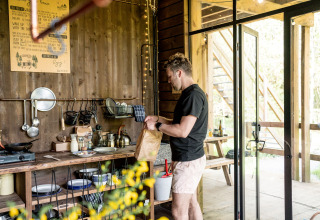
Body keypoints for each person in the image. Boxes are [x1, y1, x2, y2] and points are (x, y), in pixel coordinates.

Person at [144, 53, 208, 220]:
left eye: (170, 76)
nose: (169, 81)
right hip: (189, 158)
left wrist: (158, 126)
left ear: (179, 73)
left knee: (178, 212)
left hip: (188, 160)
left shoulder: (193, 95)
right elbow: (178, 123)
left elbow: (182, 131)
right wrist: (157, 119)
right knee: (192, 203)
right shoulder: (190, 94)